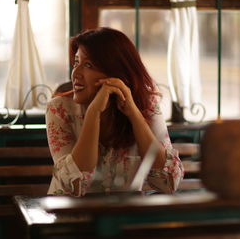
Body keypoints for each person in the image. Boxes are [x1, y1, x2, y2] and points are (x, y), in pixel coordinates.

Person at [45, 27, 184, 197]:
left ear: (116, 73)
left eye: (88, 65)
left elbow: (168, 182)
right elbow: (73, 185)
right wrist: (93, 113)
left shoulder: (146, 106)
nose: (76, 73)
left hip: (124, 219)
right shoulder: (59, 108)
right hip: (71, 216)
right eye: (76, 62)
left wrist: (134, 114)